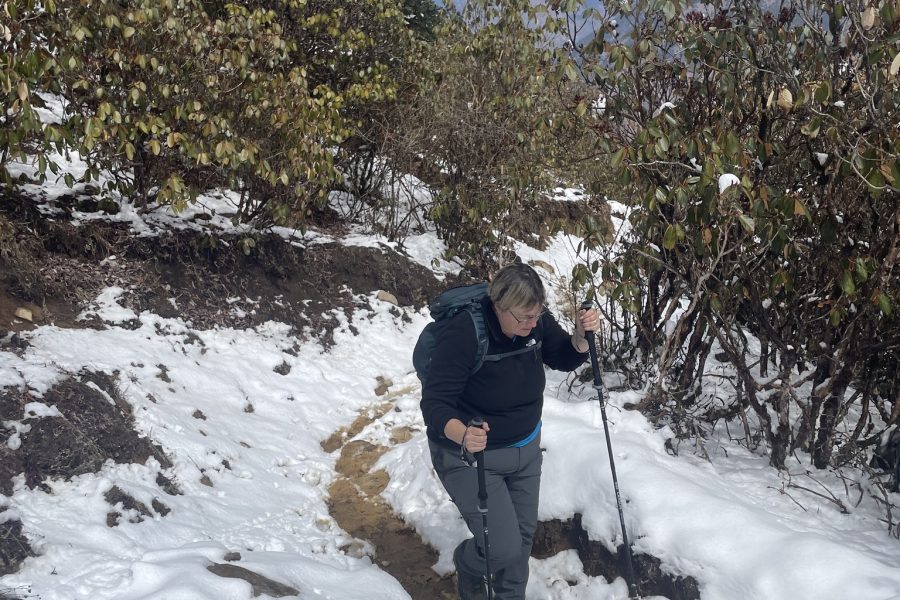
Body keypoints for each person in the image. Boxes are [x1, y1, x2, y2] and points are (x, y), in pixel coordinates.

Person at [420, 263, 600, 600]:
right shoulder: (465, 332)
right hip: (472, 456)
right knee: (501, 549)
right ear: (499, 306)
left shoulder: (533, 318)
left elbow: (561, 355)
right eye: (525, 318)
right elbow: (435, 403)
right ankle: (468, 563)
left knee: (520, 546)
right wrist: (462, 434)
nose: (534, 324)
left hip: (526, 451)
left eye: (537, 315)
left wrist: (579, 338)